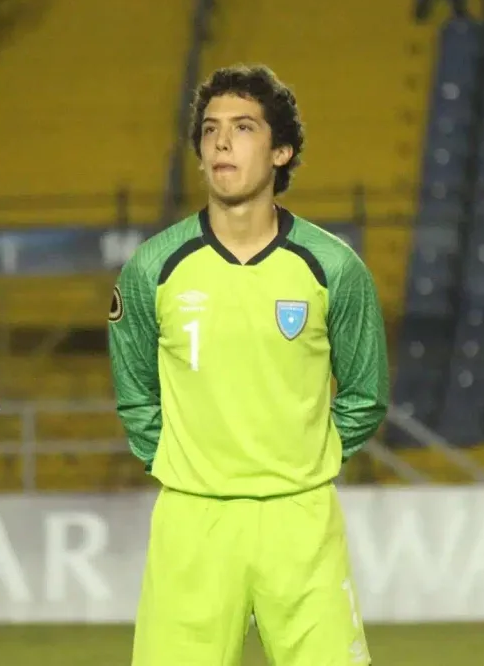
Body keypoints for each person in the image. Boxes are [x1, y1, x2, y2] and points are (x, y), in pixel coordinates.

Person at [108, 64, 389, 666]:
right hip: (193, 519)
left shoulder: (334, 267)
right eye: (210, 130)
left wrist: (307, 456)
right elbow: (134, 394)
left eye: (242, 128)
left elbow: (365, 394)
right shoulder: (151, 268)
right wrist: (182, 464)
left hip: (300, 517)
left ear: (281, 151)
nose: (221, 143)